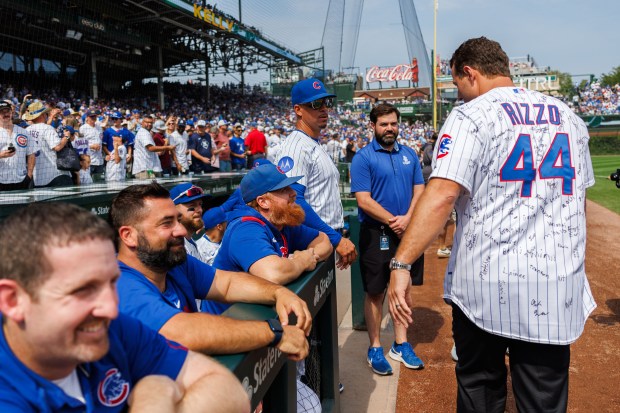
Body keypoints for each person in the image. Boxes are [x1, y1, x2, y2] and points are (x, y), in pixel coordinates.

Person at [388, 37, 596, 413]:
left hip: (487, 284)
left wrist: (402, 263)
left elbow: (441, 196)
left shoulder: (471, 115)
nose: (458, 93)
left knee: (480, 388)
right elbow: (578, 203)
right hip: (554, 282)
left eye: (456, 83)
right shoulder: (569, 116)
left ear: (470, 72)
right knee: (544, 399)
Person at [0, 202, 250, 412]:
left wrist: (150, 396)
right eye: (83, 291)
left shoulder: (113, 329)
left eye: (112, 283)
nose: (109, 308)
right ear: (13, 301)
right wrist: (156, 395)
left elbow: (229, 392)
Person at [111, 182, 311, 359]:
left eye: (177, 220)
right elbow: (185, 332)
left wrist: (278, 293)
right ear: (129, 236)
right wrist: (275, 333)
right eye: (166, 223)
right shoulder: (120, 286)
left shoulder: (174, 264)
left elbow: (227, 284)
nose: (180, 230)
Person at [205, 163, 332, 413]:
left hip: (260, 333)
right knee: (311, 408)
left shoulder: (280, 222)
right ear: (263, 201)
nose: (293, 194)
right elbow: (272, 273)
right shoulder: (246, 228)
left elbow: (325, 241)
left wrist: (306, 257)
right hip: (228, 349)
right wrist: (303, 261)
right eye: (284, 190)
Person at [350, 103, 426, 376]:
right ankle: (374, 347)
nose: (390, 128)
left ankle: (400, 343)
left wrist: (407, 218)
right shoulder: (363, 157)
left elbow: (420, 189)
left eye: (393, 123)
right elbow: (363, 200)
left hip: (407, 230)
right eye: (384, 124)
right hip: (376, 232)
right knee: (375, 291)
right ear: (373, 126)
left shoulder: (409, 154)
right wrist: (394, 220)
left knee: (404, 288)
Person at [276, 78, 357, 270]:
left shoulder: (313, 143)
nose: (324, 109)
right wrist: (336, 238)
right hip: (310, 241)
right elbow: (292, 201)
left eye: (326, 103)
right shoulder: (295, 147)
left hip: (324, 237)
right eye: (315, 104)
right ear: (298, 110)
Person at [24, 101, 73, 187]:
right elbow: (57, 147)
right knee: (65, 200)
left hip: (38, 177)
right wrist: (66, 137)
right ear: (42, 115)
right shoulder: (47, 128)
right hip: (56, 174)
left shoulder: (26, 131)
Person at [168, 182, 209, 261]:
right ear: (174, 209)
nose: (200, 210)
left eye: (200, 204)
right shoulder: (176, 248)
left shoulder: (189, 240)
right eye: (192, 206)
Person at [0, 100, 36, 191]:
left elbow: (31, 154)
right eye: (1, 112)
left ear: (11, 112)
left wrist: (29, 175)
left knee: (22, 205)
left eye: (7, 111)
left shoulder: (23, 132)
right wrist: (1, 155)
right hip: (1, 181)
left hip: (21, 180)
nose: (5, 114)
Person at [79, 110, 105, 178]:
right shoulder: (82, 128)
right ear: (87, 117)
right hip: (89, 160)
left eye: (94, 117)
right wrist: (91, 146)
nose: (93, 118)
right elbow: (79, 144)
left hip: (99, 159)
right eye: (91, 117)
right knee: (88, 181)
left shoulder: (99, 127)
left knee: (99, 182)